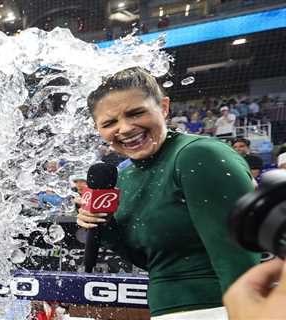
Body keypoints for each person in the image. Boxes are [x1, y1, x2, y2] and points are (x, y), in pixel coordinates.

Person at [77, 67, 260, 319]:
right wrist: (103, 224)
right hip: (167, 310)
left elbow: (240, 258)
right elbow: (151, 261)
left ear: (163, 107)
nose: (125, 128)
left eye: (136, 113)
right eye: (109, 123)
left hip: (220, 309)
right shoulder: (125, 177)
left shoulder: (198, 155)